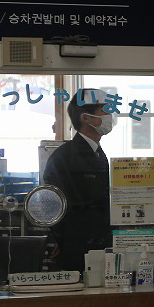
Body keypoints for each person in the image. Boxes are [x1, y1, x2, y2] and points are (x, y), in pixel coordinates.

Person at [42, 88, 115, 272]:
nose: (110, 116)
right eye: (105, 110)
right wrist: (62, 240)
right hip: (77, 247)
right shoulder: (64, 157)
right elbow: (52, 205)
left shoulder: (98, 152)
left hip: (99, 242)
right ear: (86, 118)